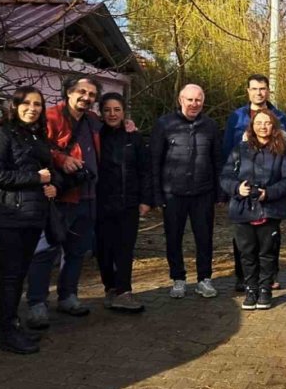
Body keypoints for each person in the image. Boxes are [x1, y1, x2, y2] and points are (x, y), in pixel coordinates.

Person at [0, 86, 59, 353]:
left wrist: (51, 185)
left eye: (37, 104)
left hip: (32, 216)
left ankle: (12, 325)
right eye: (26, 103)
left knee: (19, 275)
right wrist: (37, 179)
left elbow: (47, 172)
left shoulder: (35, 136)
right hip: (8, 217)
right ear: (14, 106)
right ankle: (5, 333)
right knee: (11, 276)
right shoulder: (0, 134)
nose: (32, 108)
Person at [26, 74, 103, 329]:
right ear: (68, 92)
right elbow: (34, 148)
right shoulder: (50, 117)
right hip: (59, 197)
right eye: (81, 92)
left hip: (88, 195)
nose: (86, 97)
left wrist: (128, 124)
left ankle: (68, 296)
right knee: (45, 250)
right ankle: (37, 304)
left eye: (92, 94)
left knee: (77, 251)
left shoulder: (93, 121)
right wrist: (61, 159)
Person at [151, 84, 222, 299]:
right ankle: (178, 279)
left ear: (203, 101)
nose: (194, 104)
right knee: (173, 237)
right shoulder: (164, 124)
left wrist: (220, 192)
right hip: (173, 193)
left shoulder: (211, 126)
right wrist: (156, 194)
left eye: (198, 100)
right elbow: (155, 161)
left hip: (203, 193)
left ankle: (204, 279)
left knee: (204, 238)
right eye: (189, 100)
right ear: (181, 100)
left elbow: (217, 161)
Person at [221, 110, 286, 310]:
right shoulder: (240, 149)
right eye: (259, 123)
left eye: (267, 123)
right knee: (247, 253)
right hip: (242, 209)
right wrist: (238, 188)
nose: (263, 126)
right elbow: (225, 176)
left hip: (269, 209)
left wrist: (268, 193)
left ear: (274, 126)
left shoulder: (283, 151)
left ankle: (265, 290)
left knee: (267, 253)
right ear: (252, 126)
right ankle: (250, 289)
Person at [95, 93, 152, 313]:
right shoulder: (95, 134)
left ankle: (124, 291)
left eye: (116, 109)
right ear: (101, 112)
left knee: (125, 248)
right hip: (101, 201)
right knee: (103, 248)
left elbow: (144, 170)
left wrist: (146, 199)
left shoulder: (133, 137)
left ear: (123, 112)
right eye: (107, 110)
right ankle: (110, 287)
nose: (112, 114)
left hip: (128, 201)